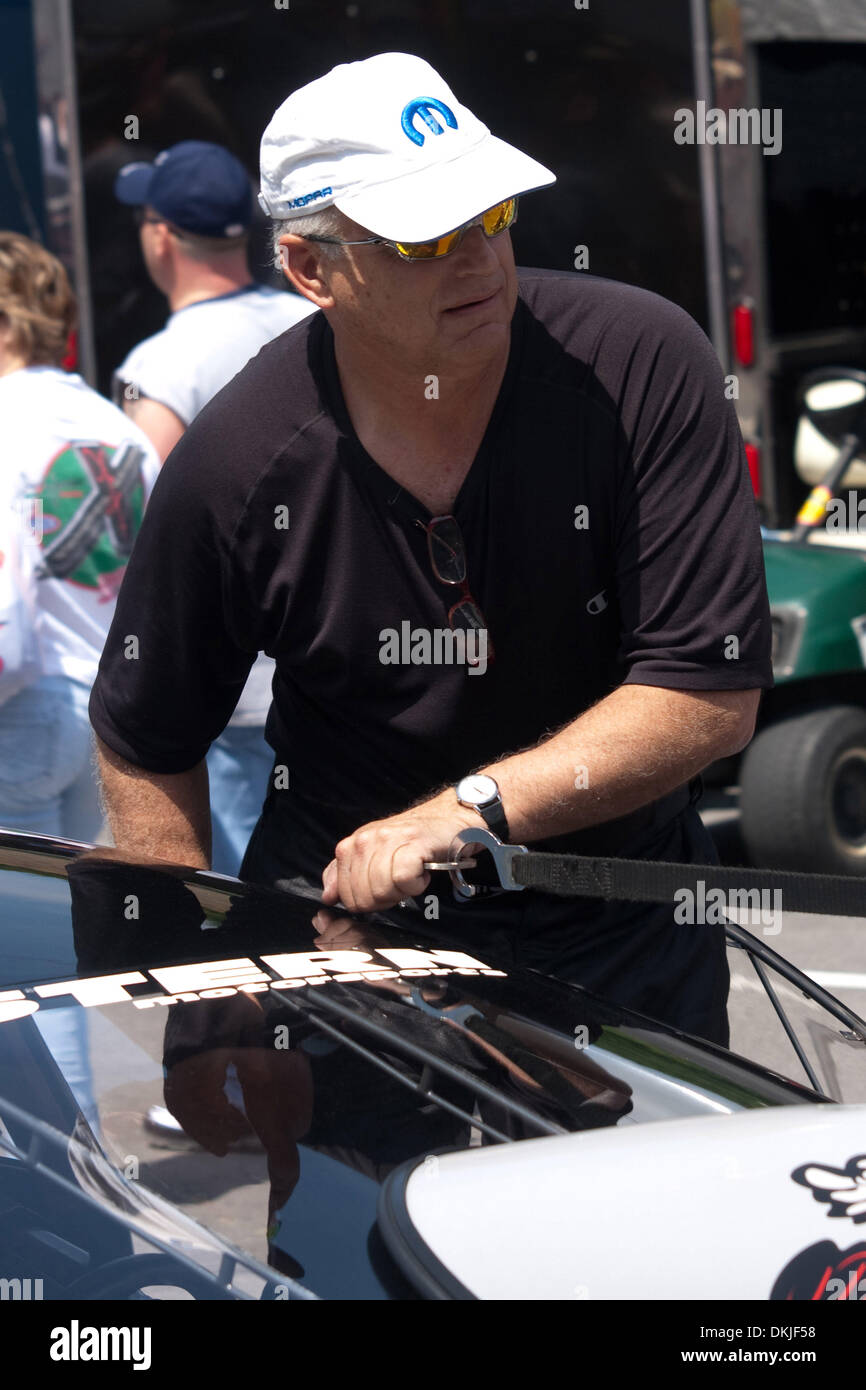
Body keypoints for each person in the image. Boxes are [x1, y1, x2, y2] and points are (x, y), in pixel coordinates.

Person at [89, 53, 773, 1046]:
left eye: (490, 216)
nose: (479, 260)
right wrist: (205, 1018)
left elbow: (705, 692)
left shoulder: (642, 363)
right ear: (311, 269)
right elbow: (145, 739)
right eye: (427, 238)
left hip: (623, 941)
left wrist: (468, 809)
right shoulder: (238, 459)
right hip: (353, 959)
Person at [111, 140, 315, 873]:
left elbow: (146, 528)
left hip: (236, 692)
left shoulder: (162, 365)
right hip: (335, 672)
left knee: (250, 919)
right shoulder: (314, 315)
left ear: (160, 235)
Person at [0, 231, 159, 842]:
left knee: (16, 918)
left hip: (25, 702)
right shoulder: (118, 428)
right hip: (112, 712)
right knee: (78, 914)